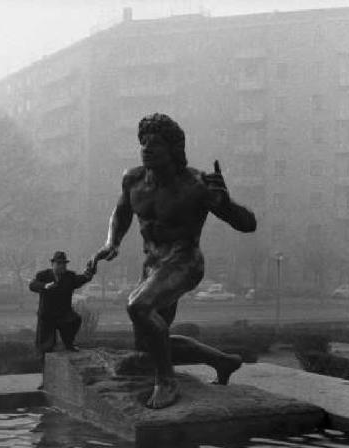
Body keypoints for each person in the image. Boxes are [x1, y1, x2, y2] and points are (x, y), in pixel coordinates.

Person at [90, 113, 257, 409]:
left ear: (173, 150)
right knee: (148, 345)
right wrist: (112, 241)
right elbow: (122, 212)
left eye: (155, 144)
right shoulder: (133, 179)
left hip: (185, 261)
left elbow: (247, 225)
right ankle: (223, 362)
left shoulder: (196, 184)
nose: (146, 148)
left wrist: (226, 203)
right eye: (143, 142)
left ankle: (166, 382)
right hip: (153, 265)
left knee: (138, 306)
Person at [29, 250, 95, 355]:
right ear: (52, 264)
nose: (61, 266)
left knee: (75, 320)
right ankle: (45, 363)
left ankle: (69, 344)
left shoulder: (69, 276)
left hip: (64, 314)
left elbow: (80, 279)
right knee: (46, 346)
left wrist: (88, 276)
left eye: (64, 264)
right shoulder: (43, 275)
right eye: (58, 263)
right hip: (47, 315)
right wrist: (44, 286)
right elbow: (32, 285)